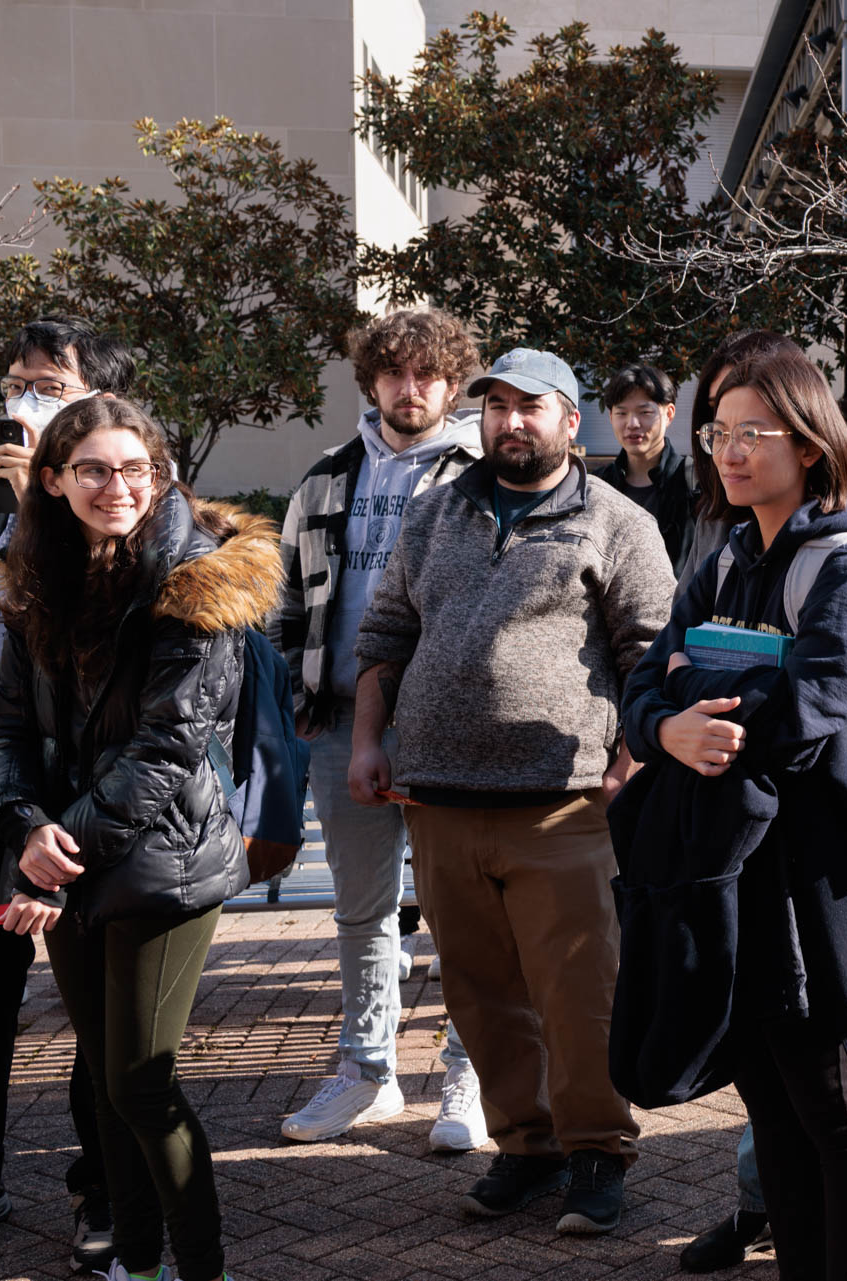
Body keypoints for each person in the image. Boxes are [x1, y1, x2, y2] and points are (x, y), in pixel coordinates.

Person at [621, 348, 847, 1281]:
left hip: (814, 874)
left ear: (808, 443)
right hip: (731, 868)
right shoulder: (724, 559)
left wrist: (700, 693)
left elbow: (826, 695)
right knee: (770, 1100)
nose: (729, 450)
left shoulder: (846, 555)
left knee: (834, 1106)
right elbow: (644, 681)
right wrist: (668, 727)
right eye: (719, 432)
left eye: (752, 432)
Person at [348, 347, 673, 1233]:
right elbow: (386, 634)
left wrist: (626, 772)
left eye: (531, 406)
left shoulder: (617, 522)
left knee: (578, 995)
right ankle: (527, 1147)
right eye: (496, 406)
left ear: (570, 419)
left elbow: (652, 657)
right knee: (479, 993)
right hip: (438, 802)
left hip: (563, 802)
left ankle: (597, 1149)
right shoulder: (434, 513)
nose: (511, 421)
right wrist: (370, 741)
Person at [0, 397, 279, 1281]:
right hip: (67, 856)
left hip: (164, 857)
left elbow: (165, 752)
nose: (118, 487)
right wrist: (23, 827)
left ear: (160, 475)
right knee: (108, 1086)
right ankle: (137, 1264)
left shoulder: (197, 582)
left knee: (142, 1080)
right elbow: (6, 733)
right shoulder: (35, 577)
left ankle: (204, 1268)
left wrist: (50, 859)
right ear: (53, 480)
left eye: (136, 469)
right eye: (94, 470)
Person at [274, 307, 487, 1150]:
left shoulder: (481, 475)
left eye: (428, 374)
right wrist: (301, 700)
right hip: (339, 722)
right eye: (395, 372)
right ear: (372, 380)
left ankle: (470, 1072)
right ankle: (368, 1069)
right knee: (362, 910)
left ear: (453, 382)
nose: (411, 388)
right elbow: (289, 604)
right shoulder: (327, 478)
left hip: (449, 724)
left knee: (463, 910)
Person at [0, 316, 130, 1267]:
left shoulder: (129, 489)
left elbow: (100, 617)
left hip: (99, 789)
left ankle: (105, 1188)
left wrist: (41, 506)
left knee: (102, 997)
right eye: (16, 383)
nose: (25, 401)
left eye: (49, 387)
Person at [594, 362, 698, 575]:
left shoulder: (694, 481)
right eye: (621, 413)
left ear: (669, 414)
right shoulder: (597, 486)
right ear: (611, 416)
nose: (632, 423)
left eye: (644, 412)